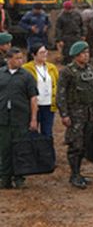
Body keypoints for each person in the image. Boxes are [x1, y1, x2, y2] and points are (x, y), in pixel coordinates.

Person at [56, 41, 93, 189]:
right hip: (75, 114)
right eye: (83, 53)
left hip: (89, 113)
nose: (86, 56)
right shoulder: (67, 72)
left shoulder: (91, 70)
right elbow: (61, 94)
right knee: (75, 144)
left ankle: (79, 173)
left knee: (85, 143)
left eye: (87, 53)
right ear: (76, 56)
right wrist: (64, 114)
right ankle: (74, 174)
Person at [0, 47, 38, 189]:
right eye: (17, 58)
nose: (20, 61)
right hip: (3, 118)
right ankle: (4, 177)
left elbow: (33, 98)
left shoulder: (27, 76)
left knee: (20, 148)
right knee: (4, 149)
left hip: (20, 118)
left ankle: (19, 177)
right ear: (9, 59)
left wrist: (33, 118)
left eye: (21, 58)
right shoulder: (1, 74)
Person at [22, 46, 59, 138]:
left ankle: (46, 151)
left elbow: (57, 83)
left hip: (49, 104)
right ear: (34, 55)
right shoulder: (26, 69)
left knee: (47, 132)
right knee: (32, 131)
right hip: (34, 105)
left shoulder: (52, 68)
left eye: (45, 52)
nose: (45, 54)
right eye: (41, 52)